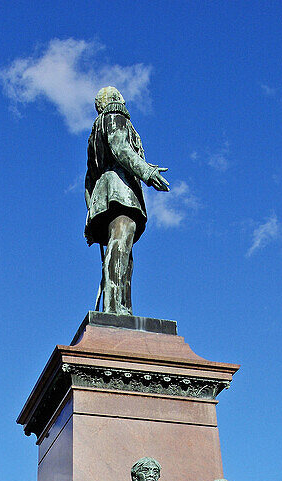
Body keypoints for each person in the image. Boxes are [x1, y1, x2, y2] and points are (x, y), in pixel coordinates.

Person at [85, 86, 169, 315]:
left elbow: (89, 178)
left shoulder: (95, 131)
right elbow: (121, 148)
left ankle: (123, 307)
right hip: (119, 191)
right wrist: (147, 172)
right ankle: (114, 308)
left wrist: (91, 210)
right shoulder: (115, 119)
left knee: (124, 253)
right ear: (116, 99)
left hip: (104, 194)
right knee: (121, 245)